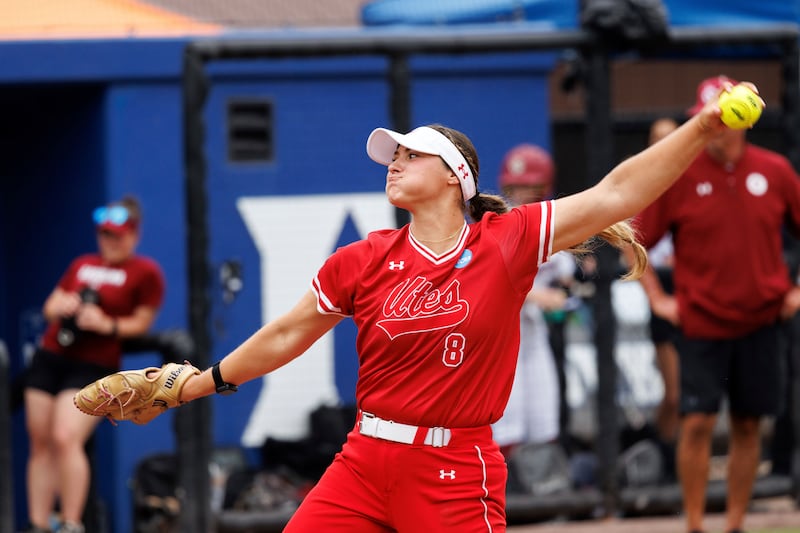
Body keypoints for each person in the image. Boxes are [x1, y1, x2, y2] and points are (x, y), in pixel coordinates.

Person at [77, 82, 754, 532]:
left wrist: (703, 126)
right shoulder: (363, 258)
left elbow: (616, 193)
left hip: (456, 471)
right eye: (392, 154)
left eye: (411, 153)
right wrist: (198, 382)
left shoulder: (506, 240)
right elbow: (288, 333)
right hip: (364, 458)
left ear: (457, 178)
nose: (394, 161)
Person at [632, 76, 800, 533]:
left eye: (722, 118)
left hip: (762, 321)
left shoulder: (776, 170)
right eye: (707, 119)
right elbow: (635, 240)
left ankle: (735, 524)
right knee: (698, 422)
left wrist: (795, 292)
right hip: (702, 324)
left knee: (748, 425)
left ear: (741, 120)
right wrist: (658, 299)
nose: (715, 127)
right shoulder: (681, 176)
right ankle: (693, 524)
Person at [24, 196, 165, 533]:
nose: (109, 242)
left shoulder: (145, 272)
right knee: (40, 440)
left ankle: (72, 523)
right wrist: (65, 306)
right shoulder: (82, 263)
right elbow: (49, 306)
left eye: (117, 235)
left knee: (65, 435)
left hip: (92, 364)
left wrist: (105, 324)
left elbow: (142, 322)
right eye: (104, 234)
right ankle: (38, 523)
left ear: (134, 235)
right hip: (53, 355)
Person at [490, 144, 576, 464]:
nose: (521, 193)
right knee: (507, 424)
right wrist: (535, 295)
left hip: (535, 337)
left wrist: (566, 290)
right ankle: (502, 497)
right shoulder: (496, 225)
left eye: (528, 186)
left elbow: (567, 275)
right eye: (515, 186)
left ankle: (543, 491)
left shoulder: (553, 224)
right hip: (500, 340)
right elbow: (489, 278)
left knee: (544, 416)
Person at [645, 117, 681, 482]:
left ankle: (683, 462)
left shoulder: (695, 176)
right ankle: (664, 460)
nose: (663, 145)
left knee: (700, 397)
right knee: (674, 394)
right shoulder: (641, 182)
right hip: (663, 290)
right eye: (657, 139)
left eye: (671, 139)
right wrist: (655, 294)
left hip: (696, 289)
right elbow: (630, 241)